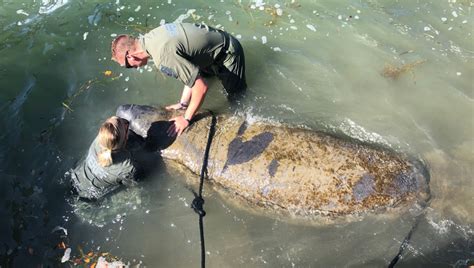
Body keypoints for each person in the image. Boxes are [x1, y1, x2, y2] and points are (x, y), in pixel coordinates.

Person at [110, 22, 247, 136]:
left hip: (227, 53)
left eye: (127, 66)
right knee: (201, 80)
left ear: (130, 56)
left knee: (237, 99)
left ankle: (245, 124)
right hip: (210, 48)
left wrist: (186, 118)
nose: (133, 68)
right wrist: (183, 104)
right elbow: (189, 72)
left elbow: (201, 87)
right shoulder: (152, 37)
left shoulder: (163, 58)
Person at [71, 116, 139, 200]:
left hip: (74, 178)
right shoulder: (128, 167)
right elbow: (133, 184)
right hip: (88, 198)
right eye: (125, 125)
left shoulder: (98, 140)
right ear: (125, 138)